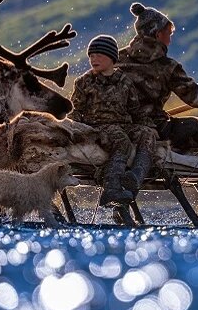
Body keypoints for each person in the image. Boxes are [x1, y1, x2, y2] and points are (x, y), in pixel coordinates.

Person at [116, 2, 198, 213]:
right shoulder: (167, 66)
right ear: (157, 34)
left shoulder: (117, 58)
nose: (170, 38)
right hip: (153, 128)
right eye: (168, 33)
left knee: (185, 134)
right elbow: (197, 97)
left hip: (118, 125)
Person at [69, 34, 163, 209]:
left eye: (98, 55)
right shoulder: (84, 82)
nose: (93, 59)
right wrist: (73, 131)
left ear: (111, 57)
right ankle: (111, 188)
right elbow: (77, 111)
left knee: (147, 135)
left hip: (124, 124)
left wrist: (149, 126)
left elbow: (135, 111)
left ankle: (135, 178)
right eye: (91, 56)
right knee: (122, 141)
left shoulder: (125, 81)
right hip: (97, 127)